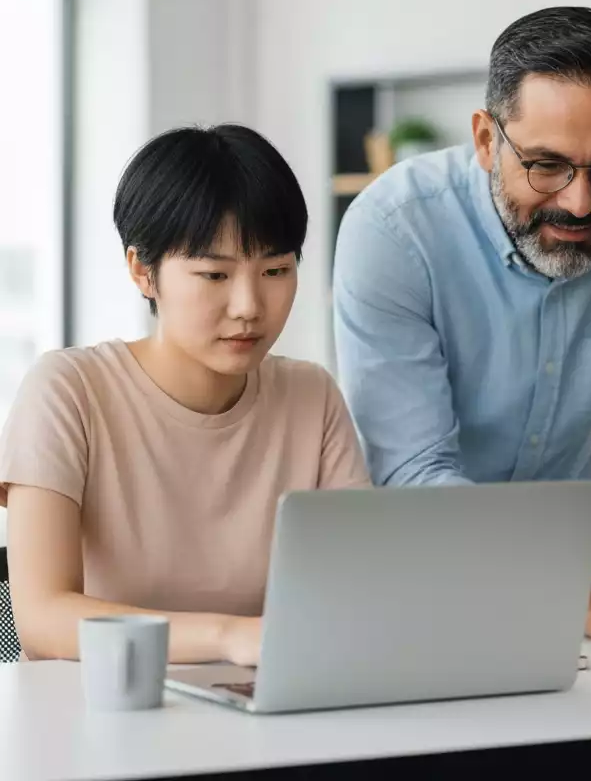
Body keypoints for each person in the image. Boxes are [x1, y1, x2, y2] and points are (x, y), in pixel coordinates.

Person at [333, 6, 591, 643]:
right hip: (422, 596)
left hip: (584, 610)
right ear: (487, 139)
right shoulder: (395, 230)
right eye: (546, 165)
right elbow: (414, 471)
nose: (580, 200)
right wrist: (576, 597)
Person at [0, 125, 369, 665]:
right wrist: (230, 637)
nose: (248, 305)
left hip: (265, 711)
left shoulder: (311, 396)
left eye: (275, 270)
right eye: (214, 275)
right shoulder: (68, 391)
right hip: (101, 715)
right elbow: (42, 620)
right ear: (142, 272)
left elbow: (358, 594)